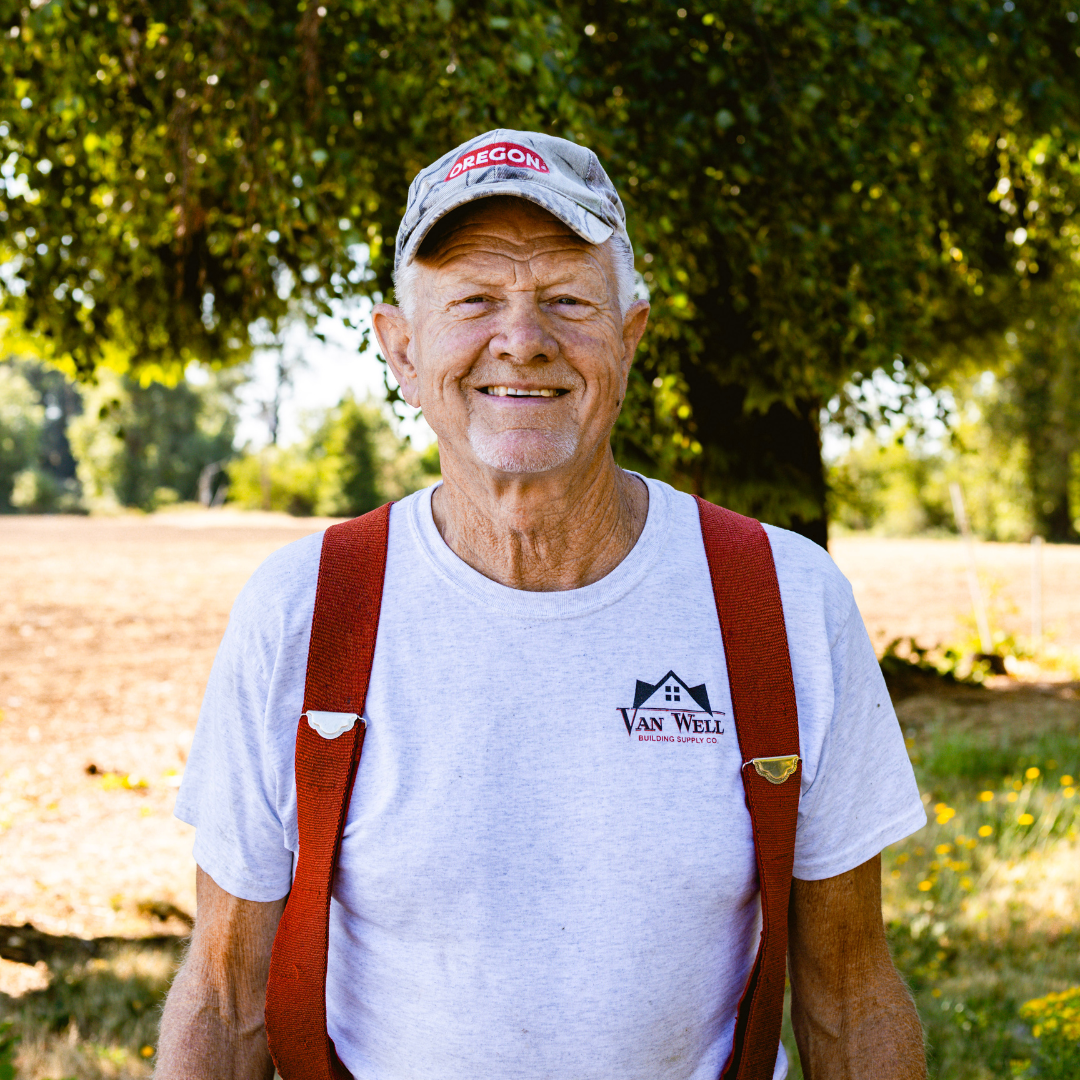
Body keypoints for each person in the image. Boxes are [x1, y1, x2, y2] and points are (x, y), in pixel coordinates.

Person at [156, 129, 928, 1080]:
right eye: (474, 300)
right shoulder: (304, 611)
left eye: (567, 300)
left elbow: (851, 994)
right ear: (400, 348)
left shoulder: (784, 602)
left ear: (630, 337)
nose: (522, 340)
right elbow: (226, 997)